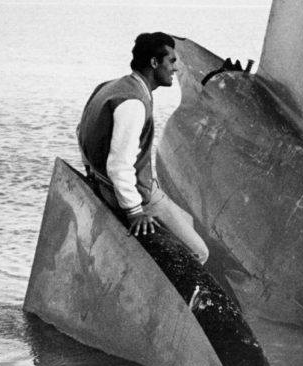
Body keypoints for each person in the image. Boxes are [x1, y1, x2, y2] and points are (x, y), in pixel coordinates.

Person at [76, 32, 209, 263]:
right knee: (198, 252)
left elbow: (81, 131)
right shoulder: (134, 103)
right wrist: (135, 212)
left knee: (186, 219)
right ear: (154, 63)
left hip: (104, 182)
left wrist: (90, 171)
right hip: (132, 193)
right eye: (172, 61)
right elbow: (119, 165)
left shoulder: (108, 87)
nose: (175, 69)